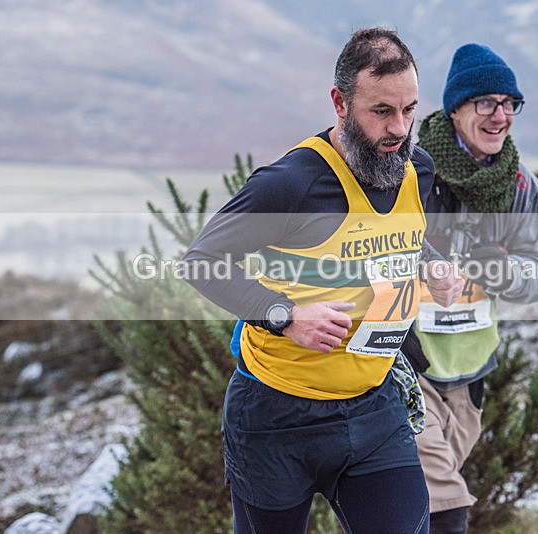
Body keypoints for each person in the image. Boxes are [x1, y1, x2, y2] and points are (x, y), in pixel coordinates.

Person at [182, 28, 464, 534]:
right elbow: (201, 260)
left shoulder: (415, 168)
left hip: (375, 407)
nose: (398, 128)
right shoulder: (290, 184)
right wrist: (284, 315)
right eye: (381, 111)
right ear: (340, 102)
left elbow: (401, 236)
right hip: (275, 417)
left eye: (409, 109)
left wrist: (433, 267)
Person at [400, 43, 538, 533]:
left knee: (407, 506)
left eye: (509, 103)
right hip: (404, 361)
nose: (500, 115)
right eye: (485, 103)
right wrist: (425, 267)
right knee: (443, 501)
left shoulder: (519, 188)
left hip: (470, 372)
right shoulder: (409, 171)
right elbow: (364, 245)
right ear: (456, 108)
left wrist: (500, 271)